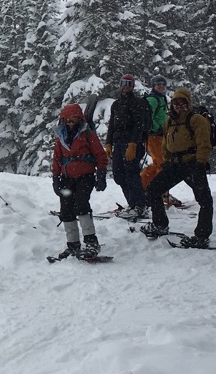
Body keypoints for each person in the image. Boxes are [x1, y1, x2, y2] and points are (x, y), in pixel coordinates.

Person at [140, 87, 214, 247]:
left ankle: (202, 236)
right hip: (174, 164)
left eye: (182, 103)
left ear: (188, 104)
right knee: (153, 190)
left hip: (193, 163)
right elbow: (166, 143)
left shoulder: (196, 120)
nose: (179, 106)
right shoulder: (170, 121)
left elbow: (204, 143)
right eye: (176, 103)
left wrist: (200, 163)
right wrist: (166, 160)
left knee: (204, 200)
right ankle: (160, 225)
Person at [51, 103, 109, 259]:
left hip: (86, 176)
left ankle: (91, 242)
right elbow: (57, 159)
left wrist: (101, 174)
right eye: (67, 121)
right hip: (67, 177)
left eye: (73, 120)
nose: (70, 124)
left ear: (79, 120)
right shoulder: (61, 136)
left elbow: (100, 155)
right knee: (66, 209)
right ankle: (73, 244)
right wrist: (55, 178)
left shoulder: (88, 134)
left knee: (81, 204)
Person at [100, 73, 150, 219]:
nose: (126, 87)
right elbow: (112, 125)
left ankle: (139, 206)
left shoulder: (137, 103)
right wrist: (108, 143)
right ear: (119, 84)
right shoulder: (116, 104)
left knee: (132, 174)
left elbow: (138, 126)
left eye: (129, 84)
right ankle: (133, 204)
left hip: (132, 145)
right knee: (119, 175)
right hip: (119, 144)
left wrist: (133, 143)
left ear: (133, 86)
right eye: (123, 83)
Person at [140, 75, 169, 194]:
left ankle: (142, 185)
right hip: (154, 136)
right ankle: (159, 192)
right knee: (162, 164)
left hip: (160, 135)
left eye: (163, 84)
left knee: (158, 163)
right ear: (153, 86)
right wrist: (158, 129)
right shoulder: (152, 99)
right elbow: (148, 118)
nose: (161, 87)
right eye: (159, 84)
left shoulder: (161, 98)